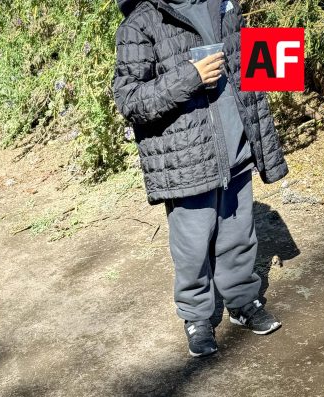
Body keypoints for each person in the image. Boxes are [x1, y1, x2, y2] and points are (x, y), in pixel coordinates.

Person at [112, 0, 288, 357]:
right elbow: (129, 99)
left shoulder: (225, 5)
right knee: (192, 249)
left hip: (237, 149)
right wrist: (191, 77)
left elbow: (249, 63)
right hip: (186, 162)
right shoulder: (141, 22)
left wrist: (283, 62)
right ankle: (197, 317)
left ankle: (242, 301)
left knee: (239, 236)